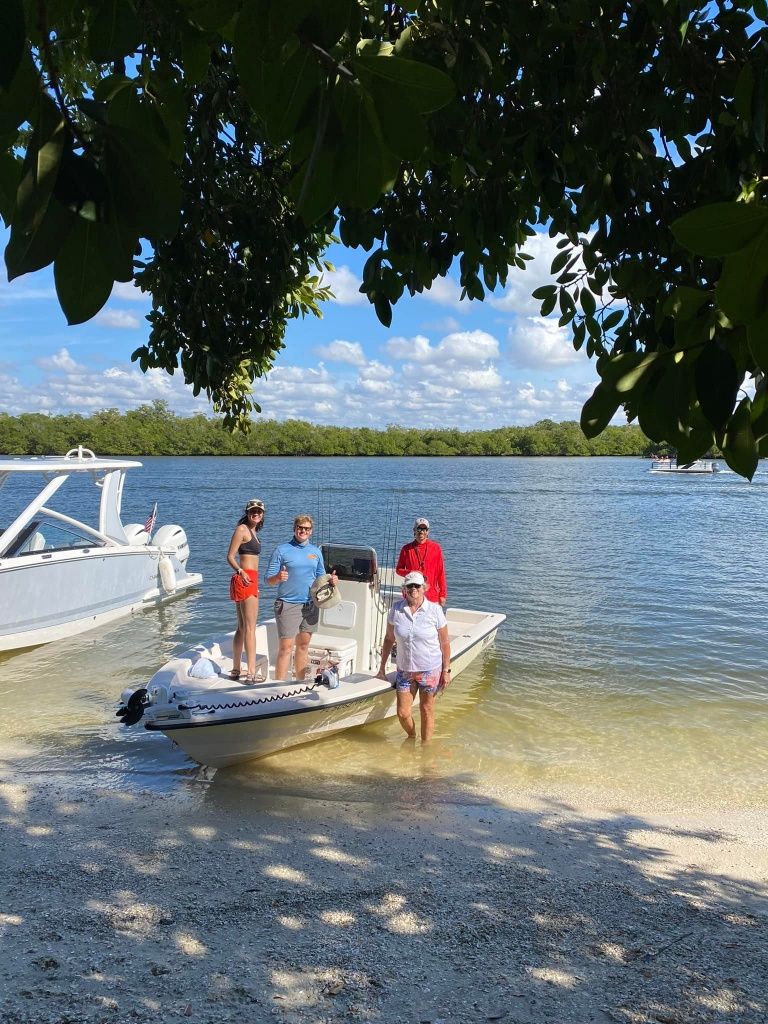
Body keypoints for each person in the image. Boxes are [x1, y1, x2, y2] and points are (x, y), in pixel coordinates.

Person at [376, 570, 451, 742]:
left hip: (429, 670)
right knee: (403, 713)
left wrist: (446, 670)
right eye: (409, 586)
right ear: (404, 589)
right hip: (405, 671)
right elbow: (389, 639)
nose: (413, 589)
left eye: (417, 585)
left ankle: (426, 747)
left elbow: (445, 642)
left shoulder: (435, 610)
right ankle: (411, 736)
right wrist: (382, 668)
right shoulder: (396, 609)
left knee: (426, 710)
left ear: (424, 588)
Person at [266, 514, 337, 681]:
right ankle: (278, 688)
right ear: (295, 529)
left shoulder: (315, 552)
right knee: (286, 648)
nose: (303, 531)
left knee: (304, 646)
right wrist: (278, 577)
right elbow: (268, 579)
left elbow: (321, 578)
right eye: (300, 528)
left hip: (310, 605)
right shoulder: (281, 550)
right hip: (287, 604)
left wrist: (332, 580)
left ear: (311, 531)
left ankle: (299, 683)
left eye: (307, 528)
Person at [226, 498, 265, 682]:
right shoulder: (242, 529)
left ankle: (236, 670)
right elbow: (230, 556)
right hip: (246, 578)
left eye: (259, 511)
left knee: (242, 627)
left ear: (262, 514)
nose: (255, 514)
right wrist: (240, 571)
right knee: (249, 628)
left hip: (251, 579)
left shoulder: (253, 531)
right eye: (252, 511)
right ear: (247, 513)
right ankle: (250, 672)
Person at [395, 517, 447, 606]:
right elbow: (398, 570)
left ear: (428, 531)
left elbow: (441, 573)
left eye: (424, 529)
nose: (421, 532)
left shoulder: (436, 548)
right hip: (412, 595)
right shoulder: (406, 549)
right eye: (419, 529)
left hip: (431, 596)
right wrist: (412, 572)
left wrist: (442, 594)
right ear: (414, 530)